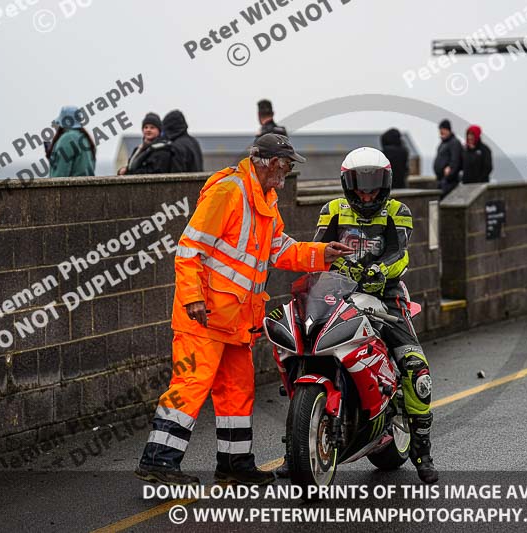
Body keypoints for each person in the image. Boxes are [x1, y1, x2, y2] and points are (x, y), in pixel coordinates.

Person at [134, 134, 354, 486]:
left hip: (236, 320)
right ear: (266, 162)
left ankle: (235, 464)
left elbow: (279, 248)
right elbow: (189, 249)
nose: (287, 172)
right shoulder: (228, 192)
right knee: (191, 384)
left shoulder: (266, 198)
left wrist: (320, 254)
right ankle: (159, 459)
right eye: (284, 164)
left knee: (238, 391)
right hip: (203, 315)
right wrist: (193, 298)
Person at [313, 147, 438, 484]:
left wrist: (380, 269)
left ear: (385, 185)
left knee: (415, 366)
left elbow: (400, 252)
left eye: (372, 187)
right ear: (346, 184)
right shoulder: (332, 210)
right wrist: (324, 265)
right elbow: (318, 248)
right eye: (359, 187)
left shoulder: (399, 210)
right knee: (304, 346)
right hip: (339, 292)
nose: (366, 194)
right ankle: (302, 444)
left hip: (387, 294)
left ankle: (422, 449)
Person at [47, 106, 96, 178]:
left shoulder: (67, 139)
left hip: (72, 188)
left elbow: (60, 176)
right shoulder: (85, 138)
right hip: (87, 187)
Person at [433, 119, 462, 197]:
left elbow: (455, 160)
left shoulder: (454, 142)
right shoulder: (443, 143)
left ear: (448, 130)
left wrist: (449, 174)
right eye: (440, 130)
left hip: (449, 182)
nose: (441, 132)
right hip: (441, 180)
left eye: (443, 129)